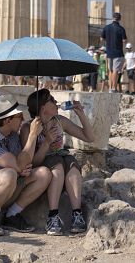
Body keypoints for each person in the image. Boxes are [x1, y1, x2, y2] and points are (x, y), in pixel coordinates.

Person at [0, 95, 52, 236]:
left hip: (7, 187)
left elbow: (23, 163)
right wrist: (32, 135)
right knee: (9, 174)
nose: (23, 120)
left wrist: (21, 169)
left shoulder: (12, 136)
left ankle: (11, 215)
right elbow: (18, 166)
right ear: (7, 120)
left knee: (44, 173)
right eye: (19, 116)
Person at [22, 89, 94, 235]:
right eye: (51, 100)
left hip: (61, 160)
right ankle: (53, 215)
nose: (56, 102)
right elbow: (32, 162)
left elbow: (89, 137)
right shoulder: (28, 128)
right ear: (43, 108)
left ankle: (77, 214)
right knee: (58, 165)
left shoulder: (59, 121)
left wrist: (80, 114)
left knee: (71, 164)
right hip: (45, 168)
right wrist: (47, 142)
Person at [100, 12, 127, 94]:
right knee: (115, 71)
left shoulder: (106, 27)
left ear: (112, 18)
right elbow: (124, 40)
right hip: (118, 52)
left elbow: (102, 39)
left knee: (110, 71)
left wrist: (108, 41)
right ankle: (114, 88)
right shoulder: (121, 28)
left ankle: (110, 88)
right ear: (119, 19)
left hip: (109, 52)